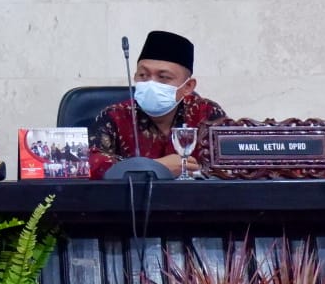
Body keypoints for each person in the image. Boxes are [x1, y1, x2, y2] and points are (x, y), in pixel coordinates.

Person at [88, 30, 226, 180]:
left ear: (188, 86)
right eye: (143, 75)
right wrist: (154, 167)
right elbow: (89, 164)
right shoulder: (115, 116)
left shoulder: (206, 113)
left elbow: (232, 164)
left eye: (163, 77)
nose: (150, 83)